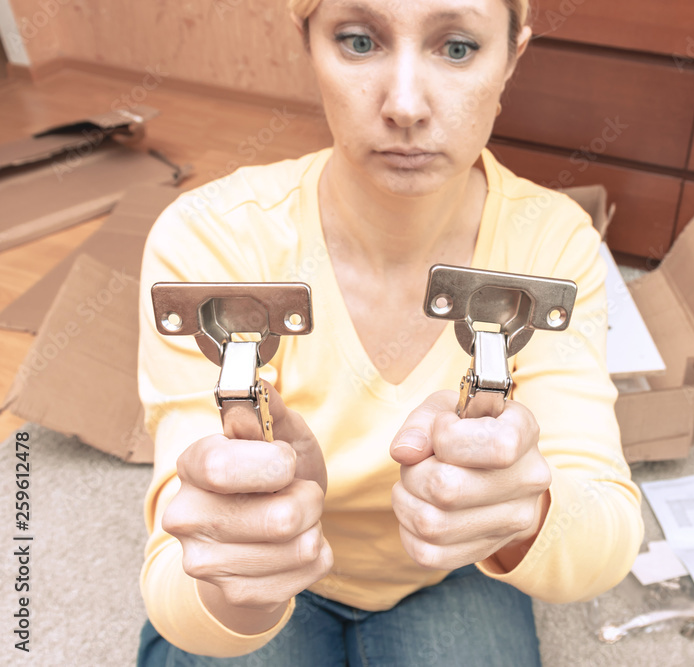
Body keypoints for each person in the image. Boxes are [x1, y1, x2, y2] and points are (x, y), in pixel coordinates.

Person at [135, 0, 643, 664]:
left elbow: (603, 531)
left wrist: (521, 514)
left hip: (452, 568)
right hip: (281, 575)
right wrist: (247, 569)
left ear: (513, 54)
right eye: (357, 41)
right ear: (307, 41)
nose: (405, 105)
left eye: (456, 48)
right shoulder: (209, 239)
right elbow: (180, 591)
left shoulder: (550, 244)